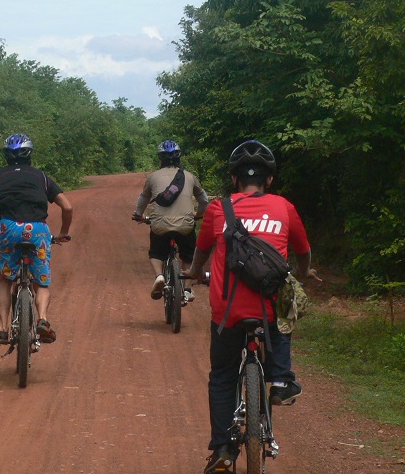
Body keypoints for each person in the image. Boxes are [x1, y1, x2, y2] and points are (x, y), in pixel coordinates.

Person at [187, 140, 319, 473]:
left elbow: (202, 251)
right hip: (269, 307)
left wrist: (193, 272)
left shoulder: (219, 209)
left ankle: (221, 447)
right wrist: (303, 275)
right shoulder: (285, 207)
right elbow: (302, 252)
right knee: (283, 307)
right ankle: (281, 378)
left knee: (221, 376)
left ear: (234, 179)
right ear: (269, 180)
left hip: (228, 312)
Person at [0, 134, 73, 346]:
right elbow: (67, 206)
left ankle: (2, 329)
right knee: (41, 281)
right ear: (30, 154)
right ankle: (43, 319)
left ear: (6, 156)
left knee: (5, 279)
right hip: (37, 230)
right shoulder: (41, 177)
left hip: (8, 229)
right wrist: (62, 232)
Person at [132, 140, 209, 301]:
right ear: (179, 158)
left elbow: (143, 198)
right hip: (185, 226)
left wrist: (138, 214)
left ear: (160, 159)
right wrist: (199, 214)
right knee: (188, 256)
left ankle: (159, 276)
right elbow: (204, 200)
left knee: (156, 252)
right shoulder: (189, 177)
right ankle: (187, 289)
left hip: (160, 225)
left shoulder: (153, 177)